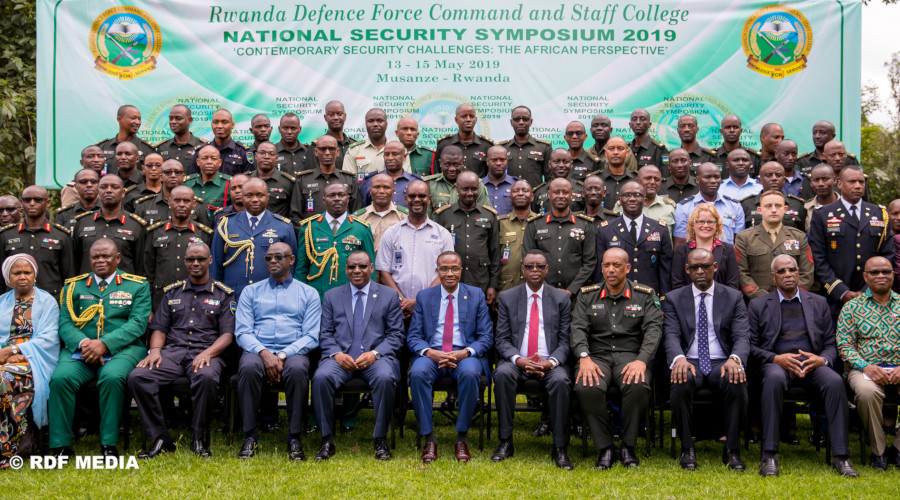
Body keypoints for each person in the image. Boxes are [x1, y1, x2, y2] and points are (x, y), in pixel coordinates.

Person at [750, 255, 858, 477]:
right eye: (781, 271)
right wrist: (775, 358)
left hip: (812, 363)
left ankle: (841, 457)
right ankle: (769, 455)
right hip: (778, 364)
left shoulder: (818, 302)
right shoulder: (758, 305)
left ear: (799, 273)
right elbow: (750, 346)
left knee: (834, 381)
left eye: (792, 269)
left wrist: (822, 360)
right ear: (773, 277)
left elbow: (830, 343)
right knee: (773, 379)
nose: (788, 274)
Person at [127, 242, 234, 459]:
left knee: (206, 377)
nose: (196, 263)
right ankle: (160, 437)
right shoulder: (172, 292)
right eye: (191, 259)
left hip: (207, 352)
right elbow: (159, 328)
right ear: (185, 262)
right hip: (173, 353)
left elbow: (227, 335)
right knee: (138, 376)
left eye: (201, 259)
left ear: (210, 261)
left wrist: (208, 353)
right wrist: (155, 350)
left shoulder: (223, 294)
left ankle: (198, 437)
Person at [49, 239, 150, 458]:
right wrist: (85, 344)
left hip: (123, 350)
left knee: (112, 378)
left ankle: (108, 444)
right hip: (82, 350)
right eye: (95, 257)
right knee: (60, 379)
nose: (100, 260)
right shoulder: (73, 286)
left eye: (106, 256)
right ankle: (60, 445)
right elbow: (65, 323)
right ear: (89, 259)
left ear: (118, 258)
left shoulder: (137, 285)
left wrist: (105, 344)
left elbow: (138, 323)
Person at [571, 248, 662, 469]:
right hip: (596, 356)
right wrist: (584, 357)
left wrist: (642, 361)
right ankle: (605, 447)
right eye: (606, 265)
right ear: (601, 268)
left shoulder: (645, 295)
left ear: (627, 268)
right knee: (586, 386)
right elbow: (577, 328)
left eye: (617, 265)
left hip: (631, 357)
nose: (611, 270)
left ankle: (628, 446)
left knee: (638, 384)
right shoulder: (587, 295)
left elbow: (654, 330)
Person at [311, 251, 404, 461]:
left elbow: (396, 335)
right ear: (345, 270)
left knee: (385, 377)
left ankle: (380, 438)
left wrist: (374, 354)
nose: (357, 271)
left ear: (371, 268)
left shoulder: (388, 295)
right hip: (341, 359)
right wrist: (337, 354)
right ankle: (326, 439)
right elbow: (325, 333)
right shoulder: (332, 296)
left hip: (376, 358)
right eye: (352, 267)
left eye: (362, 266)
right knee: (321, 378)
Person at [663, 248, 749, 471]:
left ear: (715, 267)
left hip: (722, 361)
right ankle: (687, 448)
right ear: (687, 270)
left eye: (705, 266)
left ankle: (731, 450)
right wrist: (679, 359)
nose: (700, 271)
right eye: (694, 267)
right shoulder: (674, 298)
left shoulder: (733, 296)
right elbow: (670, 335)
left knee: (736, 379)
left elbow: (742, 336)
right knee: (680, 378)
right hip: (689, 360)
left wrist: (735, 359)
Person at [234, 243, 320, 461]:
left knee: (298, 370)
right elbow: (242, 332)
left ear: (291, 260)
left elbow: (311, 335)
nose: (272, 261)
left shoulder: (308, 293)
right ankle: (249, 436)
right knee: (248, 367)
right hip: (258, 350)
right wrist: (263, 352)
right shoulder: (250, 291)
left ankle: (294, 437)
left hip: (293, 351)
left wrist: (282, 355)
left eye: (279, 257)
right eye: (268, 258)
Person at [407, 252, 493, 463]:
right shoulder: (424, 296)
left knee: (471, 373)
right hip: (432, 353)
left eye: (455, 268)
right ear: (437, 270)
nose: (450, 273)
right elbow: (414, 336)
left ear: (461, 270)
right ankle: (429, 438)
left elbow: (486, 336)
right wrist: (430, 352)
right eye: (444, 269)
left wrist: (465, 352)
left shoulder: (476, 295)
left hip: (464, 353)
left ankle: (461, 438)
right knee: (417, 373)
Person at [493, 250, 573, 469]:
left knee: (561, 381)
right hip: (517, 362)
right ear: (523, 270)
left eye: (539, 266)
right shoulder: (508, 297)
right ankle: (505, 442)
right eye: (529, 266)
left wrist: (551, 362)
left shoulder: (561, 298)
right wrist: (519, 360)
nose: (534, 270)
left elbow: (566, 340)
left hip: (550, 362)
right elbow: (501, 339)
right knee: (502, 374)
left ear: (547, 269)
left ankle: (560, 447)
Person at [838, 257, 900, 471]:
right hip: (863, 369)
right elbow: (844, 345)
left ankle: (898, 448)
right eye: (874, 272)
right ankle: (879, 450)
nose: (881, 275)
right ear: (865, 276)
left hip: (898, 366)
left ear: (893, 275)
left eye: (886, 271)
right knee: (866, 393)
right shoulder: (851, 307)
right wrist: (865, 366)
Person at [0, 254, 59, 468]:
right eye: (17, 273)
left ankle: (12, 448)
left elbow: (48, 338)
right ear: (8, 277)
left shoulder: (47, 302)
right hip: (5, 357)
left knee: (3, 379)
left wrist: (15, 349)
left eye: (27, 272)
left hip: (34, 360)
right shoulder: (1, 302)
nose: (23, 276)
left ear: (35, 276)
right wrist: (6, 354)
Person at [809, 166, 892, 316]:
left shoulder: (879, 213)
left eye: (861, 182)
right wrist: (841, 292)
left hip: (873, 297)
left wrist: (868, 291)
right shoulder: (822, 214)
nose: (858, 186)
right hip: (835, 300)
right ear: (839, 184)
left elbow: (887, 255)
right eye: (852, 182)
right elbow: (818, 258)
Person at [376, 181, 454, 319]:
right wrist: (401, 300)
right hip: (397, 307)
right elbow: (383, 272)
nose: (417, 200)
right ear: (406, 199)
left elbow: (447, 272)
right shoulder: (391, 233)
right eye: (412, 196)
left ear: (429, 199)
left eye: (422, 196)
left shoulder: (443, 234)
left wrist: (420, 301)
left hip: (431, 306)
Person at [211, 178, 296, 298]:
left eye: (260, 195)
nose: (255, 199)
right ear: (242, 197)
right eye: (249, 195)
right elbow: (216, 265)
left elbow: (291, 266)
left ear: (268, 197)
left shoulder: (283, 226)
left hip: (271, 295)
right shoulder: (226, 225)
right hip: (233, 295)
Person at [296, 183, 375, 298]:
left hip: (350, 296)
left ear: (348, 199)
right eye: (331, 195)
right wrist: (300, 297)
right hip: (317, 296)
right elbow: (301, 268)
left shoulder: (361, 229)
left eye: (341, 195)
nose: (337, 199)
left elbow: (370, 267)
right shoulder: (309, 227)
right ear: (324, 200)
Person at [595, 180, 673, 297]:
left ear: (645, 200)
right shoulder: (606, 230)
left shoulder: (659, 228)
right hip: (617, 296)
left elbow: (665, 270)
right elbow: (601, 270)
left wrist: (664, 299)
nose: (632, 199)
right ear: (620, 200)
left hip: (649, 296)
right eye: (627, 195)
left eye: (637, 195)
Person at [433, 171, 500, 304]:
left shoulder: (489, 215)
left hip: (480, 280)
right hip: (450, 281)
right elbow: (436, 251)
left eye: (474, 189)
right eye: (465, 189)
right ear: (457, 189)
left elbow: (495, 252)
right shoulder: (444, 215)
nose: (470, 193)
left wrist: (493, 285)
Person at [142, 186, 214, 309]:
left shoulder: (204, 234)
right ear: (169, 202)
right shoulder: (155, 232)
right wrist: (147, 307)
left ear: (194, 204)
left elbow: (210, 270)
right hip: (161, 298)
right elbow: (147, 271)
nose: (181, 205)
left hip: (194, 299)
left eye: (186, 201)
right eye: (177, 200)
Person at [523, 178, 597, 297]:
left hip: (577, 295)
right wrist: (547, 289)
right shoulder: (535, 224)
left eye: (565, 192)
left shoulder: (585, 224)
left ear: (571, 195)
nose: (561, 196)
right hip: (543, 293)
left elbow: (590, 261)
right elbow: (528, 261)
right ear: (549, 194)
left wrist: (572, 289)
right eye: (556, 192)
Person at [735, 190, 813, 300]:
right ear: (759, 210)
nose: (774, 210)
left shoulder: (799, 237)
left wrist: (790, 296)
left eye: (778, 206)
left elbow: (807, 273)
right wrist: (762, 297)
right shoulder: (744, 238)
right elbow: (741, 273)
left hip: (792, 301)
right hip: (758, 302)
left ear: (785, 209)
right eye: (768, 206)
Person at [0, 186, 75, 299]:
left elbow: (69, 276)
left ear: (48, 203)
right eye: (27, 200)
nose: (32, 203)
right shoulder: (6, 235)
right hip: (15, 301)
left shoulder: (61, 235)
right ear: (21, 203)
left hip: (51, 301)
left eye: (38, 200)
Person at [71, 174, 147, 275]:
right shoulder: (83, 222)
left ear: (123, 193)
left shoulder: (135, 225)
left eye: (114, 187)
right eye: (103, 187)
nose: (109, 190)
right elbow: (75, 262)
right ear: (98, 192)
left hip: (123, 284)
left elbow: (140, 265)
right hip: (89, 284)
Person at [290, 135, 362, 232]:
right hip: (313, 235)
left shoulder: (349, 179)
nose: (327, 153)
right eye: (323, 149)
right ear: (316, 152)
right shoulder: (303, 179)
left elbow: (356, 212)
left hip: (344, 235)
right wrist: (308, 234)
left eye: (331, 149)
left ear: (337, 152)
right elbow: (295, 215)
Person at [673, 162, 745, 246]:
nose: (713, 181)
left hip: (726, 254)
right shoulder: (684, 207)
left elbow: (739, 242)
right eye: (707, 177)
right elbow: (679, 242)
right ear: (698, 180)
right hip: (695, 254)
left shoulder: (734, 206)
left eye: (717, 177)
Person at [671, 204, 739, 290]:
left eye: (710, 222)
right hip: (688, 298)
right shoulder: (682, 250)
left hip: (721, 298)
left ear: (717, 225)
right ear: (693, 225)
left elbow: (733, 284)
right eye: (701, 221)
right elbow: (677, 283)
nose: (706, 225)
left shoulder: (728, 249)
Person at [133, 159, 212, 227]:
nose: (173, 176)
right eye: (168, 172)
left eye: (177, 172)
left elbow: (204, 233)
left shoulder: (197, 205)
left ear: (183, 177)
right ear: (161, 177)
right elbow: (139, 234)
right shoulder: (144, 205)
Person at [612, 165, 676, 239]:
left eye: (657, 179)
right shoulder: (623, 205)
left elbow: (676, 239)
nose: (653, 182)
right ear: (638, 181)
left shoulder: (669, 207)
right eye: (648, 178)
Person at [740, 162, 807, 231]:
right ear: (760, 180)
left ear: (784, 180)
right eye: (769, 175)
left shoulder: (797, 205)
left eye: (778, 175)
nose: (774, 178)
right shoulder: (746, 204)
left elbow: (801, 234)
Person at [425, 145, 492, 214]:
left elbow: (485, 214)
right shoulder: (430, 184)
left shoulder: (476, 184)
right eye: (447, 165)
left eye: (456, 165)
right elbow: (425, 215)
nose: (452, 169)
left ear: (463, 163)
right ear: (440, 163)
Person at [498, 106, 552, 189]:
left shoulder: (544, 147)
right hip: (508, 195)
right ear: (511, 122)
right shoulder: (502, 148)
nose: (521, 122)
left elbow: (550, 178)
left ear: (531, 122)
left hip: (535, 195)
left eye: (525, 119)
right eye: (516, 119)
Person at [498, 180, 538, 292]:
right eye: (516, 191)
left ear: (532, 197)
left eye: (525, 191)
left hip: (534, 286)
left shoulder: (540, 222)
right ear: (510, 198)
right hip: (506, 286)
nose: (520, 193)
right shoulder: (500, 223)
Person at [435, 104, 493, 177]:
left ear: (475, 120)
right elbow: (438, 172)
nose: (468, 119)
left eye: (471, 116)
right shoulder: (444, 144)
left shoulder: (486, 146)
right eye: (464, 116)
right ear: (456, 120)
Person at [353, 173, 407, 252]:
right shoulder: (358, 218)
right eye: (377, 187)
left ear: (393, 191)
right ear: (370, 191)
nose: (381, 191)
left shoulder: (405, 217)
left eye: (386, 187)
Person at [188, 108, 251, 176]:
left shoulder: (243, 152)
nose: (219, 126)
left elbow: (248, 179)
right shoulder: (201, 151)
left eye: (224, 122)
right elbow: (193, 179)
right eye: (215, 122)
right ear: (211, 124)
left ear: (232, 125)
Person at [359, 141, 421, 208]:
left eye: (395, 154)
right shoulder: (370, 180)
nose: (390, 158)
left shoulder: (415, 181)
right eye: (386, 154)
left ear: (404, 157)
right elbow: (363, 208)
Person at [95, 104, 155, 171]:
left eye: (139, 119)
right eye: (133, 118)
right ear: (119, 119)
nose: (137, 122)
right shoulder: (102, 147)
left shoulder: (147, 149)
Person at [306, 100, 359, 171]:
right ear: (325, 118)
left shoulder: (355, 145)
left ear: (345, 116)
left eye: (339, 114)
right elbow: (312, 175)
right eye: (331, 115)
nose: (336, 117)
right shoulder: (317, 146)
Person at [248, 141, 295, 218]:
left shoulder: (287, 182)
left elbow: (294, 212)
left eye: (271, 154)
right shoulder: (247, 180)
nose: (266, 156)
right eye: (262, 153)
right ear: (256, 156)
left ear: (276, 158)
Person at [183, 145, 233, 219]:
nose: (209, 162)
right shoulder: (187, 183)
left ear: (220, 162)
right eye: (204, 158)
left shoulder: (229, 184)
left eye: (213, 158)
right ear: (198, 162)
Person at [154, 104, 207, 171]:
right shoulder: (162, 147)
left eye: (178, 118)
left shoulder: (202, 146)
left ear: (190, 120)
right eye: (171, 119)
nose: (173, 122)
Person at [531, 149, 584, 214]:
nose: (561, 165)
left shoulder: (581, 190)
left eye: (566, 162)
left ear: (571, 164)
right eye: (556, 162)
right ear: (549, 164)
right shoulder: (539, 192)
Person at [593, 136, 636, 210]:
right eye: (611, 148)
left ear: (627, 153)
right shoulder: (595, 180)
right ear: (606, 153)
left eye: (620, 148)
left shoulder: (636, 179)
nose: (615, 152)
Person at [343, 108, 389, 175]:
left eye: (380, 121)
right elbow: (348, 179)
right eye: (370, 121)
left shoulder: (398, 150)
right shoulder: (353, 150)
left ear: (386, 124)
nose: (375, 124)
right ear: (366, 125)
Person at [482, 145, 520, 216]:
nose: (498, 163)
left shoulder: (517, 185)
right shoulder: (479, 186)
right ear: (487, 162)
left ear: (507, 161)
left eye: (502, 160)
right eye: (494, 160)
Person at [629, 109, 669, 173]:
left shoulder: (660, 150)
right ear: (630, 124)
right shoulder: (626, 149)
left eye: (642, 119)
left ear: (649, 124)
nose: (638, 122)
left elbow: (665, 176)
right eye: (634, 119)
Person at [804, 164, 839, 231]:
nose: (820, 184)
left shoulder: (846, 205)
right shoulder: (806, 208)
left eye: (825, 179)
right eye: (816, 180)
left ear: (834, 180)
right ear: (811, 183)